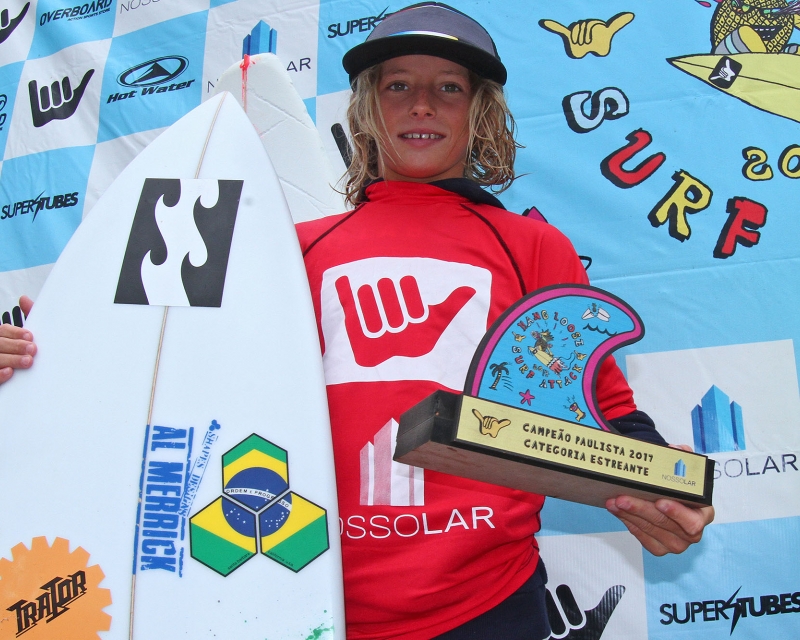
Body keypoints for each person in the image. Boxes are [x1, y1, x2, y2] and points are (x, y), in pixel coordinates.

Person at [0, 4, 713, 638]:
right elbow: (188, 377)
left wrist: (663, 496)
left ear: (479, 113)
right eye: (397, 84)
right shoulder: (294, 248)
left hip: (488, 603)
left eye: (449, 87)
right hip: (304, 598)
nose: (422, 105)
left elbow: (601, 409)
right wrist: (64, 345)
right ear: (368, 108)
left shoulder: (529, 244)